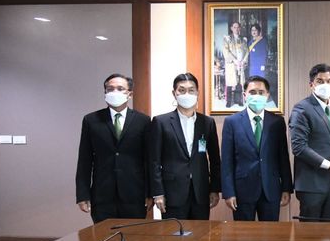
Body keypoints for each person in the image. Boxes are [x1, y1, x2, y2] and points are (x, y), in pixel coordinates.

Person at [75, 73, 151, 223]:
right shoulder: (91, 120)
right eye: (110, 89)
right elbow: (84, 160)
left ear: (130, 94)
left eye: (120, 89)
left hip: (134, 194)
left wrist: (150, 193)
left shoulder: (143, 121)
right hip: (102, 194)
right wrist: (82, 194)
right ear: (105, 93)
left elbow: (149, 160)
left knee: (133, 235)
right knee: (104, 236)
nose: (114, 92)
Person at [150, 73, 221, 220]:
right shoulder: (161, 122)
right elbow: (154, 161)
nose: (186, 94)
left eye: (191, 90)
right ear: (174, 93)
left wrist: (214, 189)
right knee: (174, 233)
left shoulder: (207, 123)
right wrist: (158, 193)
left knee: (201, 233)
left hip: (200, 192)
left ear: (197, 93)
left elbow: (215, 160)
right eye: (182, 90)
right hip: (172, 193)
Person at [221, 75, 292, 221]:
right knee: (243, 234)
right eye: (252, 92)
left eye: (261, 92)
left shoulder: (277, 122)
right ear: (244, 95)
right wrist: (228, 192)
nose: (257, 96)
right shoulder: (231, 122)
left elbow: (283, 158)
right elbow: (227, 161)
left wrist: (286, 187)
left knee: (271, 233)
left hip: (271, 189)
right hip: (242, 191)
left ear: (267, 95)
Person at [289, 63, 330, 220]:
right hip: (311, 184)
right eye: (320, 81)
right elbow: (299, 147)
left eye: (329, 81)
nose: (325, 84)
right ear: (311, 84)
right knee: (310, 233)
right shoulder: (301, 109)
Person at [222, 21, 248, 108]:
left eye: (238, 27)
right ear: (231, 28)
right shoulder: (227, 39)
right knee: (230, 82)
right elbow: (226, 51)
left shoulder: (243, 40)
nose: (236, 29)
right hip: (232, 64)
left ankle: (238, 100)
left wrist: (243, 61)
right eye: (234, 27)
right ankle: (229, 101)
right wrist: (234, 60)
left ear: (240, 28)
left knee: (240, 82)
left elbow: (246, 51)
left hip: (241, 64)